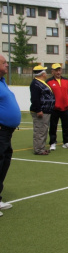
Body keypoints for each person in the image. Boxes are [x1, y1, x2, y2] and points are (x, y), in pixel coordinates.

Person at [0, 54, 21, 216]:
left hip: (7, 132)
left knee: (4, 161)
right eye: (4, 63)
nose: (7, 65)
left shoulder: (2, 81)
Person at [46, 63, 68, 150]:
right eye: (56, 70)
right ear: (52, 72)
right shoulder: (49, 82)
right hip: (54, 109)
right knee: (53, 126)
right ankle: (52, 143)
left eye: (59, 70)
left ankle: (66, 142)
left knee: (66, 126)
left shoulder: (66, 80)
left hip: (65, 108)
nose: (58, 72)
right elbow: (47, 95)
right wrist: (52, 104)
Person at [29, 65, 55, 155]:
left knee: (43, 130)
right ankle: (38, 149)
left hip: (46, 110)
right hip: (41, 111)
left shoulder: (40, 82)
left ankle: (41, 147)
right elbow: (34, 99)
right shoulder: (35, 84)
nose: (46, 73)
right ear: (42, 74)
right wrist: (38, 110)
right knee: (40, 130)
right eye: (45, 72)